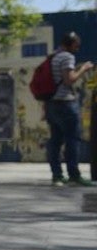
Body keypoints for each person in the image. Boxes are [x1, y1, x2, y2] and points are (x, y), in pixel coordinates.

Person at [46, 32, 94, 187]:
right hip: (65, 103)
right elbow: (69, 80)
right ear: (71, 44)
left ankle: (57, 176)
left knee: (55, 141)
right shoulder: (67, 57)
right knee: (73, 139)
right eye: (76, 45)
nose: (78, 49)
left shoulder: (53, 56)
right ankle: (74, 174)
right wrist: (84, 69)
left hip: (51, 103)